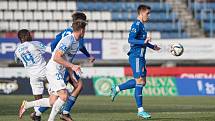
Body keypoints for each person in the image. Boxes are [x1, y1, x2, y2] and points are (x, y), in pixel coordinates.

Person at [19, 20, 87, 121]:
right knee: (64, 96)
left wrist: (71, 73)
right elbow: (56, 57)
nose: (85, 32)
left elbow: (66, 60)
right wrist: (72, 66)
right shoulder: (68, 40)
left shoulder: (76, 43)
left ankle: (27, 105)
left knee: (52, 101)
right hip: (53, 69)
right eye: (85, 30)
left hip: (60, 70)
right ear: (81, 30)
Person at [33, 12, 95, 121]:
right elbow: (79, 46)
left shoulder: (66, 32)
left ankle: (40, 113)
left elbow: (53, 45)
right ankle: (59, 113)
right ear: (81, 23)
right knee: (62, 94)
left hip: (65, 66)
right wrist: (60, 58)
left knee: (71, 89)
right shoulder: (75, 35)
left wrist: (88, 56)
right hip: (62, 66)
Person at [110, 4, 161, 119]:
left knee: (142, 82)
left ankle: (117, 88)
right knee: (139, 81)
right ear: (141, 13)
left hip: (141, 57)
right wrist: (144, 42)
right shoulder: (136, 24)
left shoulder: (142, 26)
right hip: (136, 57)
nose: (149, 16)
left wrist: (153, 47)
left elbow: (143, 42)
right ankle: (140, 110)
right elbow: (131, 39)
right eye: (147, 13)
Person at [14, 29, 51, 121]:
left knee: (38, 97)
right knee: (58, 95)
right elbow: (50, 50)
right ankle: (62, 112)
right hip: (44, 72)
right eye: (29, 34)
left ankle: (37, 116)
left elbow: (16, 60)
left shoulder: (17, 50)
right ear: (25, 36)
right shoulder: (34, 43)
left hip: (33, 76)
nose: (31, 36)